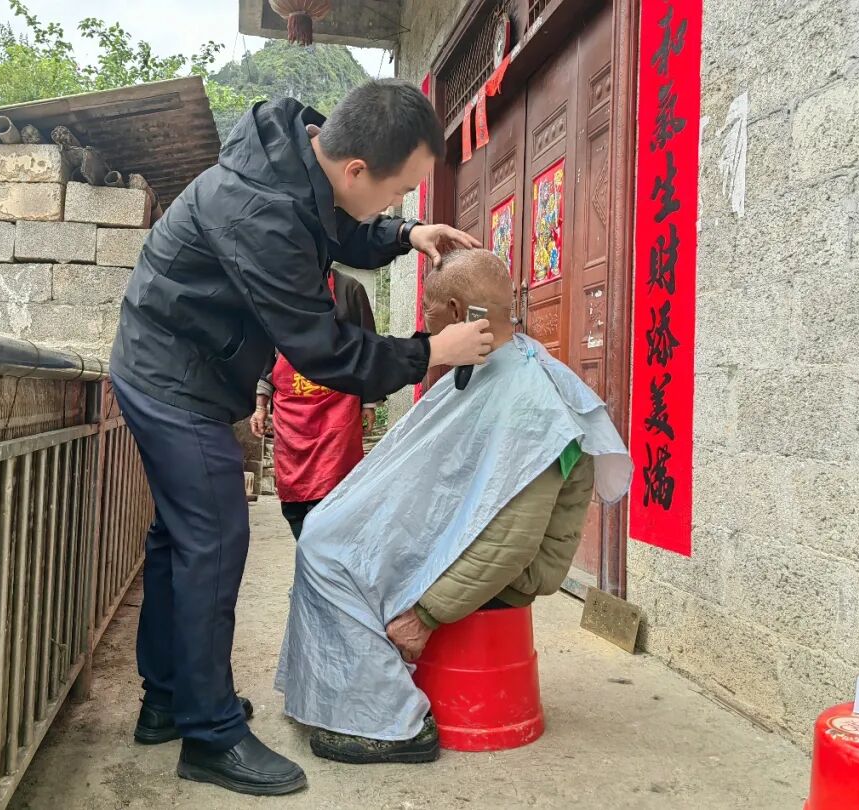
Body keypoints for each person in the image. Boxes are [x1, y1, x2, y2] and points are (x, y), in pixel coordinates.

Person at [109, 80, 494, 796]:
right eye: (397, 192)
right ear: (356, 167)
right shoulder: (261, 211)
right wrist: (430, 351)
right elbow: (324, 350)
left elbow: (342, 224)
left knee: (179, 540)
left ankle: (167, 700)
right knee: (214, 541)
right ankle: (209, 735)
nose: (395, 203)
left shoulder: (299, 158)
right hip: (171, 377)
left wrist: (406, 235)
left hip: (185, 364)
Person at [275, 249, 633, 765]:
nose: (424, 322)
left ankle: (397, 722)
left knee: (334, 556)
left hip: (517, 564)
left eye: (429, 308)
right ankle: (340, 691)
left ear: (459, 312)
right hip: (476, 532)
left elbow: (512, 543)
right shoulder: (490, 365)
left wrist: (425, 614)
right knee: (328, 532)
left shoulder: (533, 401)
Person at [250, 266, 380, 540]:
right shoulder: (276, 289)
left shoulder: (349, 290)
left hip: (338, 411)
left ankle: (325, 554)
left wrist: (369, 401)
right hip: (292, 415)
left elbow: (369, 347)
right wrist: (261, 405)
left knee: (336, 492)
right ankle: (308, 549)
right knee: (293, 499)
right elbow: (265, 353)